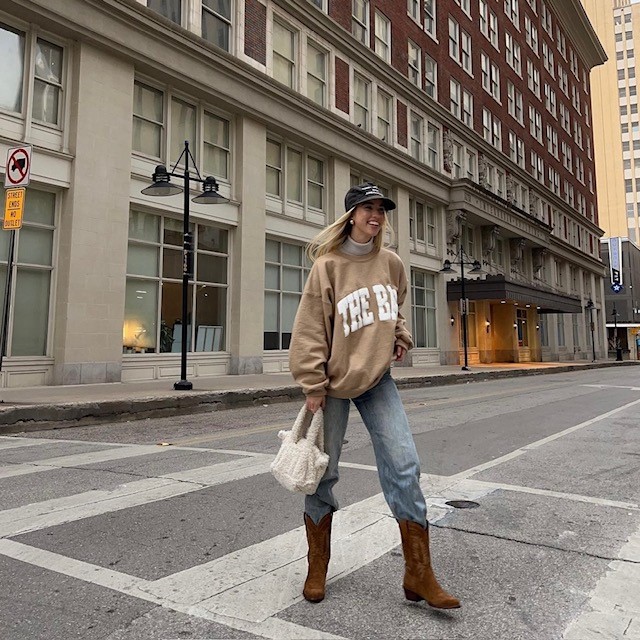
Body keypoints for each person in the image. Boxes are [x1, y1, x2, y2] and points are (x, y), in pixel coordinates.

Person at [289, 182, 460, 609]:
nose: (376, 215)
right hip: (332, 385)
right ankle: (317, 567)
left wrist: (400, 335)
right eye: (368, 208)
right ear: (350, 215)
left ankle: (418, 574)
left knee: (404, 464)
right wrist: (312, 386)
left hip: (378, 379)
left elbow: (395, 307)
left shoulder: (392, 263)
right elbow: (309, 329)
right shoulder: (328, 266)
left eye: (381, 209)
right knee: (323, 474)